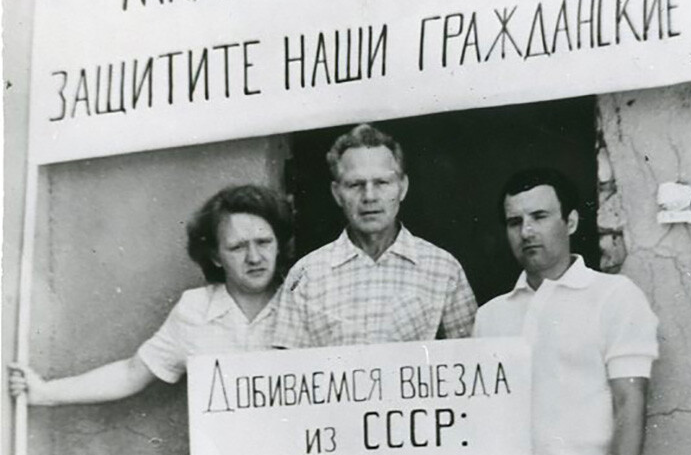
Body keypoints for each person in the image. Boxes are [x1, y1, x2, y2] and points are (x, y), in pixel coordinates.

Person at [473, 168, 659, 455]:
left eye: (539, 216)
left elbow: (629, 403)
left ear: (571, 222)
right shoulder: (491, 316)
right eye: (515, 222)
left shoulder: (614, 297)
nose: (527, 232)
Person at [9, 184, 293, 404]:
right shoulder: (195, 310)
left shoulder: (302, 298)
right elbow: (131, 374)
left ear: (279, 244)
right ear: (216, 256)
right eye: (238, 247)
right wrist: (44, 392)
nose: (255, 257)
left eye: (264, 242)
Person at [274, 123, 477, 348]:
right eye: (355, 184)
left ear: (402, 187)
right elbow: (290, 373)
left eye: (381, 182)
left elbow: (469, 362)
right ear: (337, 193)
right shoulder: (305, 276)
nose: (369, 196)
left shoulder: (444, 269)